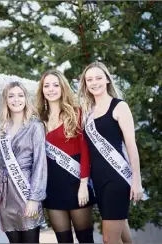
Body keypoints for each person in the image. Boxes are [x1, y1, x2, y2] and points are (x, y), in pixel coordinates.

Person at [78, 61, 144, 244]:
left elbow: (131, 145)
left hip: (117, 179)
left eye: (98, 77)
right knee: (124, 234)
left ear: (107, 79)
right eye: (89, 79)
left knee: (109, 239)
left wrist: (136, 181)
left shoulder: (119, 106)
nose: (94, 82)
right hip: (98, 180)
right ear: (85, 84)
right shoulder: (87, 113)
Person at [0, 81, 47, 243]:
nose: (16, 100)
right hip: (5, 195)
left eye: (20, 95)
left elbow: (40, 164)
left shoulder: (35, 126)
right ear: (6, 100)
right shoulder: (1, 126)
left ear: (26, 99)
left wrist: (34, 199)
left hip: (27, 192)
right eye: (11, 96)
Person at [36, 70, 96, 243]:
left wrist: (84, 184)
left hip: (77, 184)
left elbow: (85, 151)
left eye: (55, 85)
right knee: (63, 240)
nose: (51, 89)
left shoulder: (76, 114)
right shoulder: (38, 120)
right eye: (46, 85)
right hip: (52, 188)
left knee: (85, 239)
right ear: (42, 90)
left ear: (63, 87)